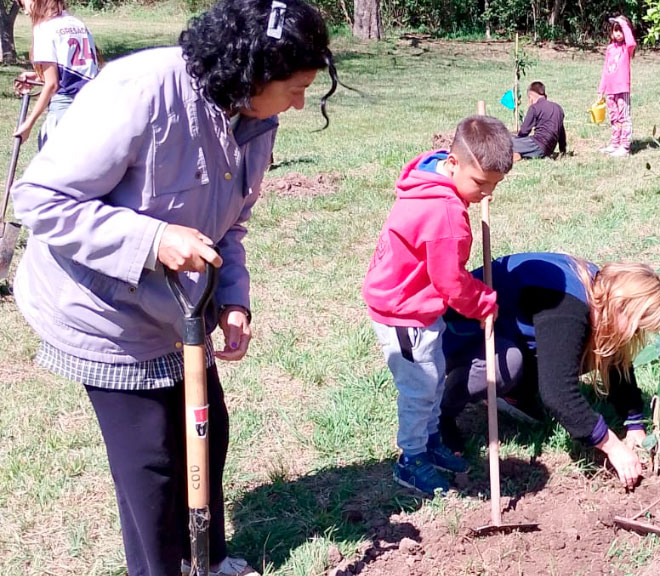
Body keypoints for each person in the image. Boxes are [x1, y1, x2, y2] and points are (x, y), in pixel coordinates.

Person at [10, 0, 338, 573]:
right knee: (153, 469)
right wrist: (151, 238)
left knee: (207, 434)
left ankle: (205, 561)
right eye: (294, 86)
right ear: (253, 70)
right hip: (102, 310)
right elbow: (40, 201)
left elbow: (229, 222)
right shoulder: (140, 91)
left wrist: (233, 298)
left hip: (180, 310)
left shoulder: (255, 116)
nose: (299, 101)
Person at [362, 115, 512, 496]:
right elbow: (450, 281)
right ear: (454, 161)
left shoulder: (431, 175)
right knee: (421, 387)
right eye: (480, 183)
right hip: (403, 310)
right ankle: (411, 460)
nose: (486, 194)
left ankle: (429, 445)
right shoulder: (445, 215)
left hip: (417, 304)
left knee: (433, 375)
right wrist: (484, 303)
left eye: (494, 186)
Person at [439, 252, 660, 489]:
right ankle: (439, 416)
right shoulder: (568, 305)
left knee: (587, 349)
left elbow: (616, 357)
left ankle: (515, 393)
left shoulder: (600, 288)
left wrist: (634, 423)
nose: (636, 335)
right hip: (457, 331)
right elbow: (558, 394)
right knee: (511, 365)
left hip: (505, 330)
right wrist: (613, 446)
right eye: (637, 327)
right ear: (621, 305)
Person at [13, 0, 98, 149]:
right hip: (92, 107)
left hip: (64, 110)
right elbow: (80, 71)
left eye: (23, 4)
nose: (25, 11)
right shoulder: (77, 24)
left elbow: (52, 85)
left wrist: (29, 123)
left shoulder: (44, 29)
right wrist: (39, 76)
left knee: (54, 168)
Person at [598, 15, 636, 158]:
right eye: (615, 30)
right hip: (610, 90)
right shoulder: (610, 49)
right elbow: (605, 70)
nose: (618, 33)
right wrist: (601, 89)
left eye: (621, 30)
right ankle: (615, 144)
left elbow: (631, 41)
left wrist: (622, 23)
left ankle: (624, 147)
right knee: (614, 118)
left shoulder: (627, 48)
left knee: (624, 117)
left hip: (622, 88)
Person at [513, 81, 567, 160]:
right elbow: (561, 132)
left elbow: (524, 132)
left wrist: (518, 140)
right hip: (548, 150)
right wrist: (563, 150)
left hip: (537, 145)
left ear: (530, 98)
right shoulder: (558, 108)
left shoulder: (534, 108)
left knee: (506, 141)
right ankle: (519, 154)